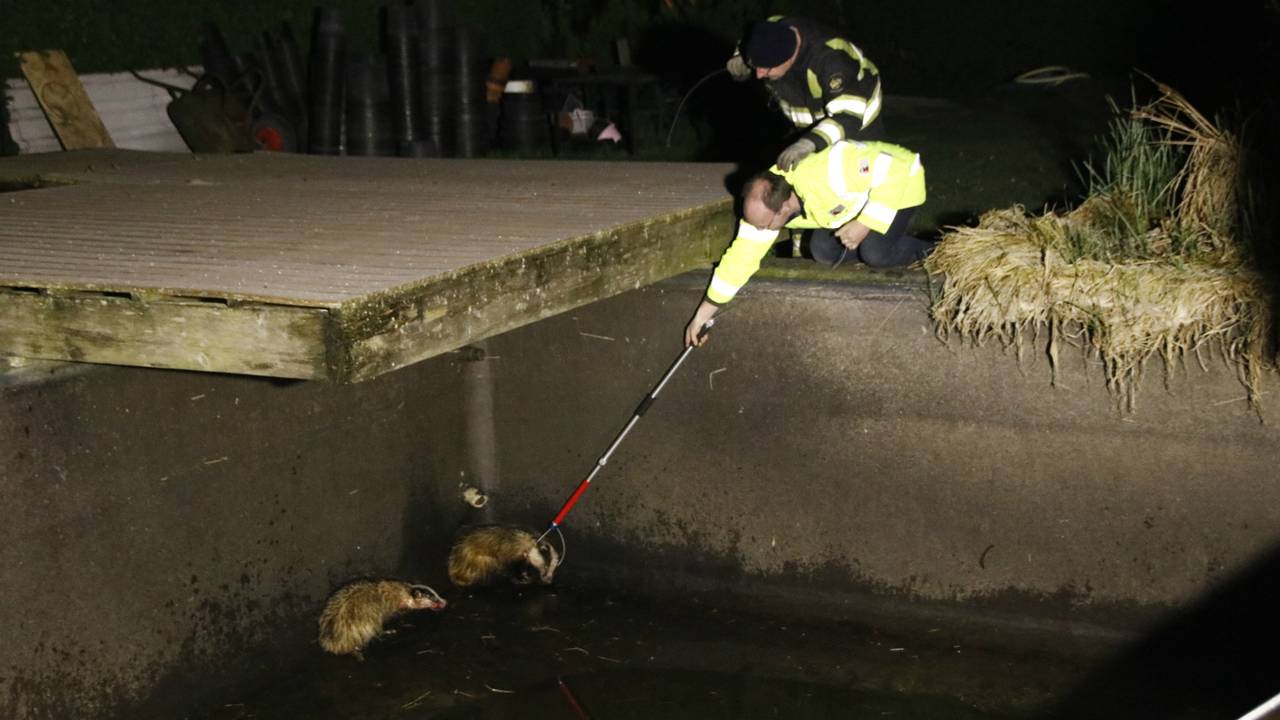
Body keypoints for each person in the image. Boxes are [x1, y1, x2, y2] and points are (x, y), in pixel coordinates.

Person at [684, 139, 930, 347]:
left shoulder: (827, 172)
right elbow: (740, 259)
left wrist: (865, 223)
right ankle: (879, 242)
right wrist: (702, 314)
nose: (759, 231)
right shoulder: (768, 206)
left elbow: (893, 169)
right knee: (821, 250)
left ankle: (931, 252)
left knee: (875, 252)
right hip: (855, 205)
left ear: (784, 208)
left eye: (765, 225)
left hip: (901, 183)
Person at [726, 16, 883, 170]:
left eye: (766, 69)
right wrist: (742, 57)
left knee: (858, 172)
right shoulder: (770, 30)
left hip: (855, 118)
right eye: (756, 66)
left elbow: (847, 116)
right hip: (806, 120)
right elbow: (748, 40)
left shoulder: (831, 60)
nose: (759, 75)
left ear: (788, 58)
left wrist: (808, 143)